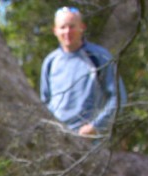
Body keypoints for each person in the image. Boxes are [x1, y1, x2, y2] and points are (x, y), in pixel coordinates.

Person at [40, 6, 125, 137]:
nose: (67, 31)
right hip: (57, 140)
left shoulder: (99, 57)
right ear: (55, 30)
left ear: (82, 27)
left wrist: (95, 126)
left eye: (72, 26)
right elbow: (44, 102)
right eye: (62, 27)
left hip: (88, 143)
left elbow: (118, 97)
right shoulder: (50, 62)